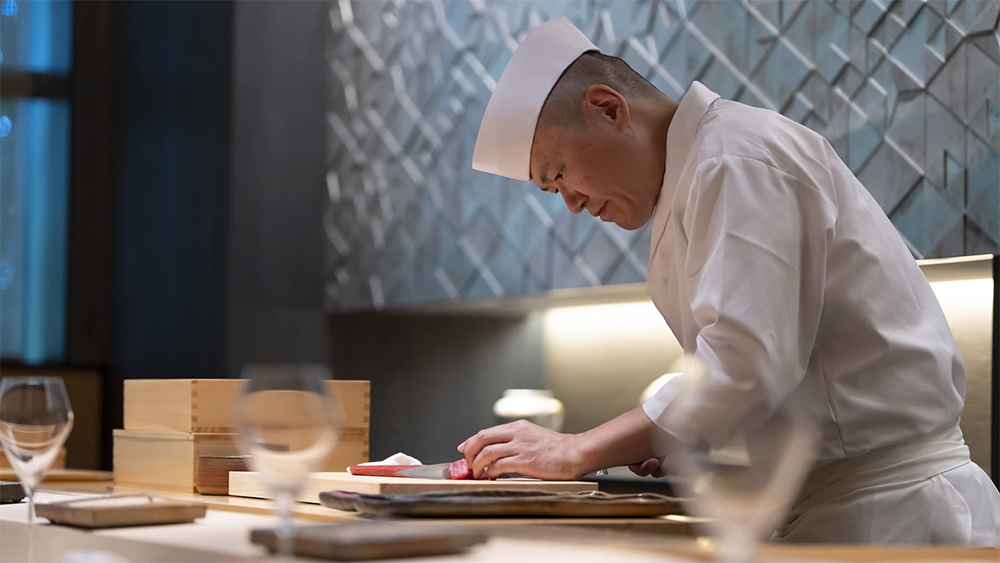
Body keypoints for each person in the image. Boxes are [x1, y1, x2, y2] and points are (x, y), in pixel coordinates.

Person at [459, 17, 1000, 546]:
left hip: (895, 515)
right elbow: (758, 376)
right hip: (839, 507)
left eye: (558, 175)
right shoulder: (698, 171)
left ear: (608, 108)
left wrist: (577, 449)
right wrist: (687, 429)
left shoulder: (737, 156)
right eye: (555, 193)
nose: (572, 203)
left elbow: (745, 362)